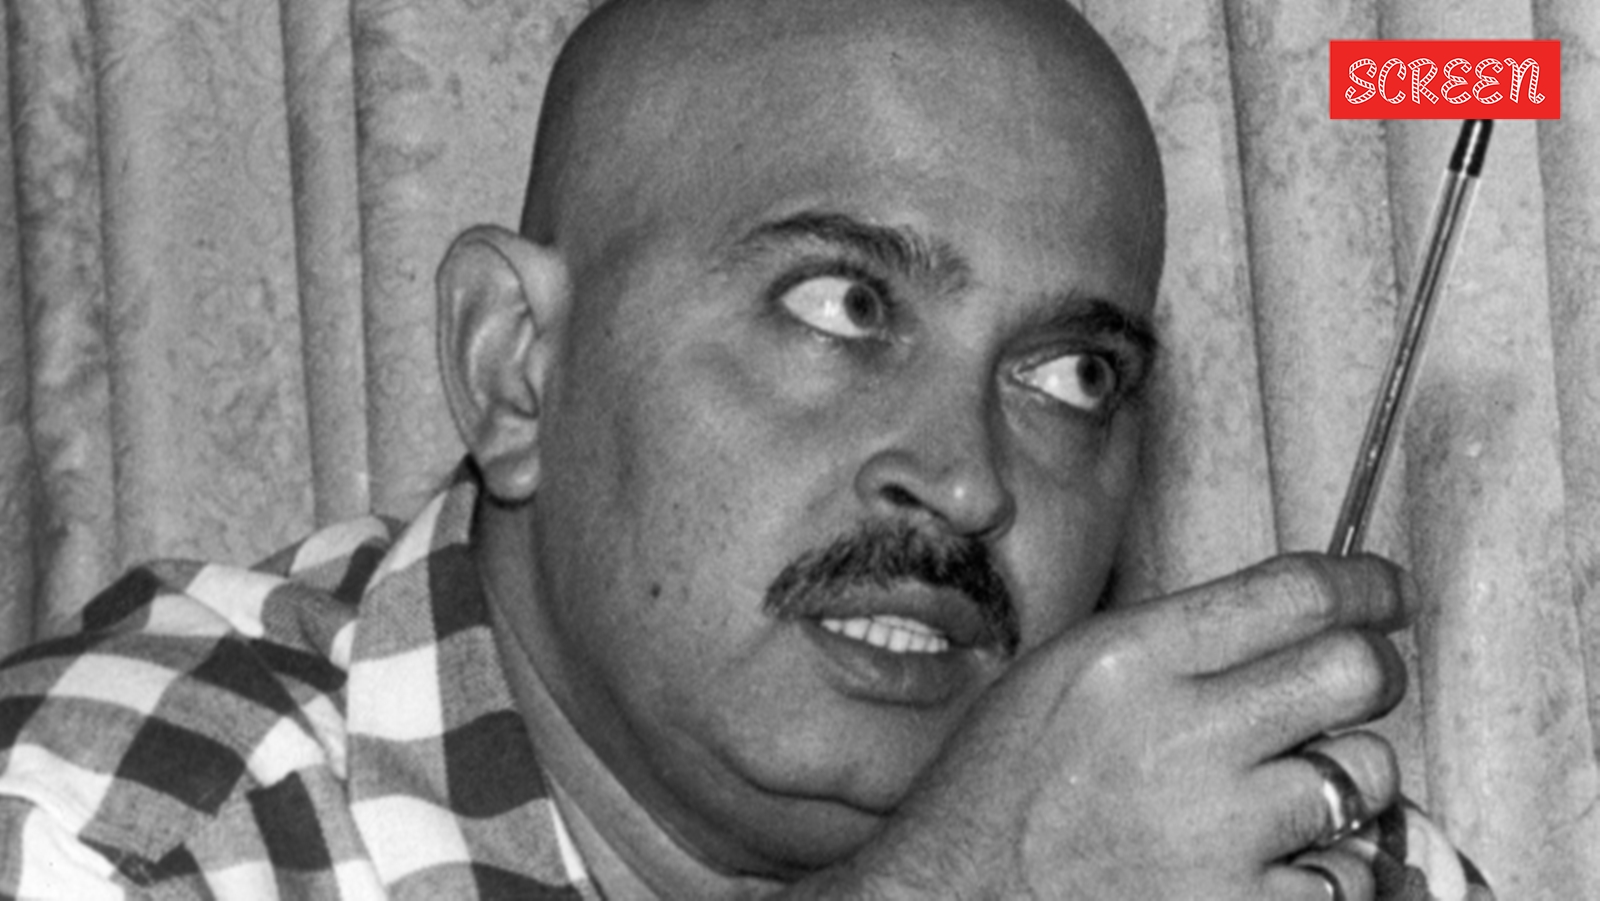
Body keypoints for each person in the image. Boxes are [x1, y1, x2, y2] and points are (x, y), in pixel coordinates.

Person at [0, 0, 1492, 898]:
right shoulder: (117, 835)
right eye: (847, 304)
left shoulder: (1246, 849)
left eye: (1072, 372)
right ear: (514, 368)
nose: (969, 479)